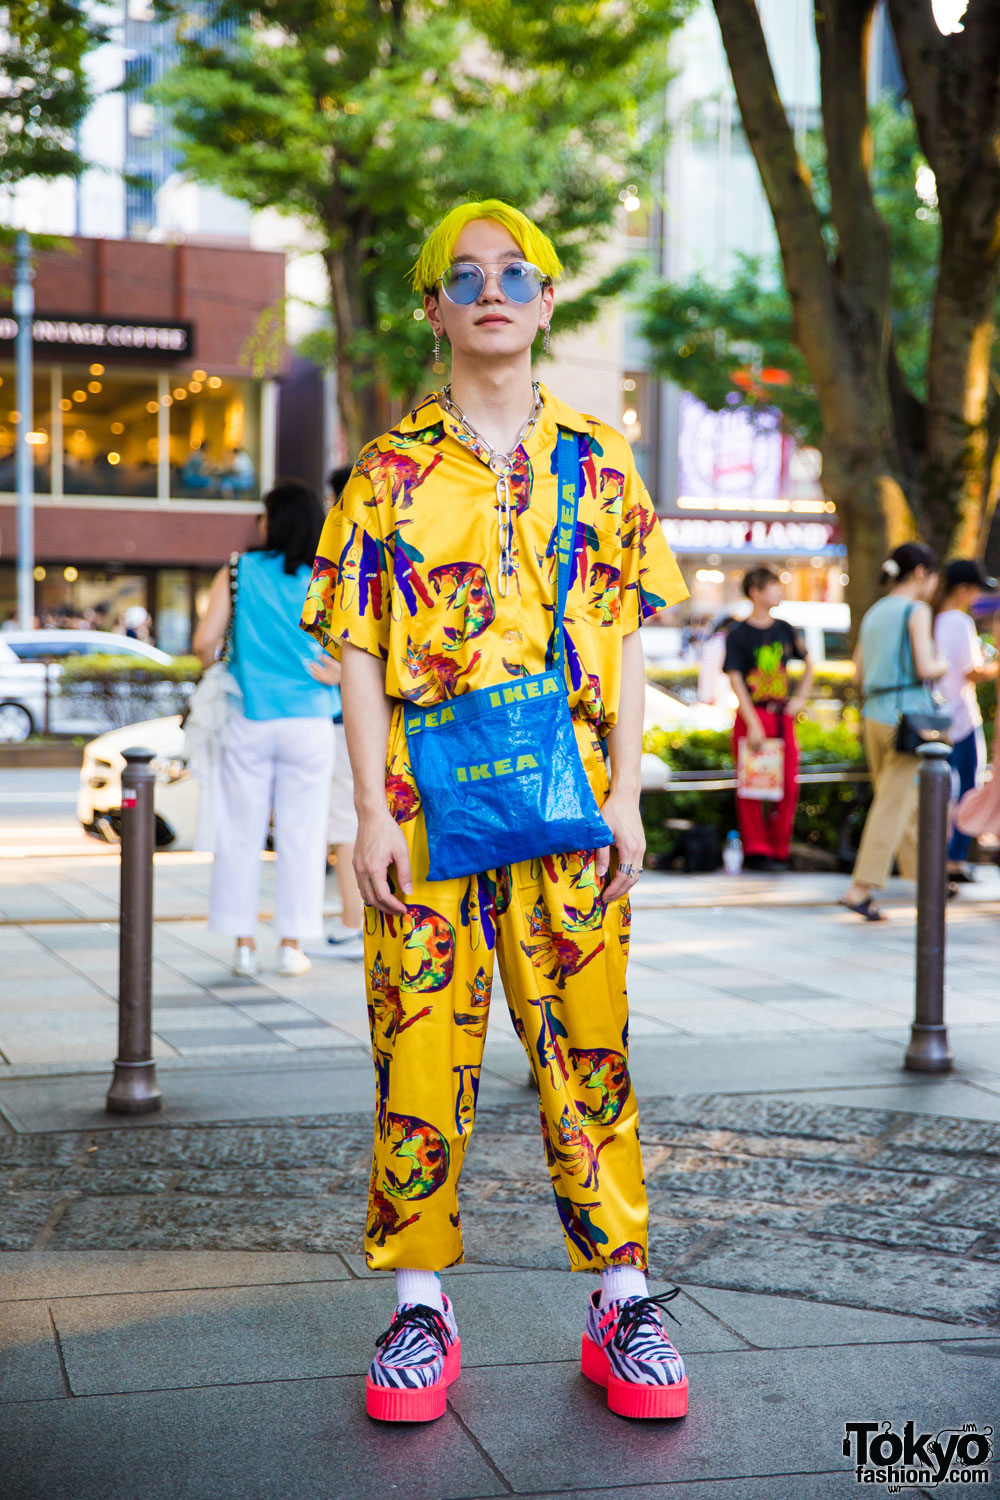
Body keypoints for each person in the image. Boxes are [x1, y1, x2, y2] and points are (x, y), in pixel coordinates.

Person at [300, 199, 691, 1424]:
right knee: (417, 1049)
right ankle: (421, 1304)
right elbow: (358, 649)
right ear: (432, 309)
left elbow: (624, 640)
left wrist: (628, 792)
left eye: (516, 273)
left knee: (590, 1044)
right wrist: (368, 812)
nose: (491, 289)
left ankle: (620, 1296)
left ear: (548, 300)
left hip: (573, 804)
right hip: (424, 811)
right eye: (462, 275)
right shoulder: (388, 472)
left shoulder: (602, 460)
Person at [194, 480, 339, 977]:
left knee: (240, 830)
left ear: (271, 521)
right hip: (312, 720)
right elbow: (352, 649)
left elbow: (204, 640)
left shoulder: (238, 570)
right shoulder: (328, 577)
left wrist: (239, 658)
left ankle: (242, 944)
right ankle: (292, 945)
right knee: (303, 833)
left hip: (250, 716)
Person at [841, 542, 947, 920]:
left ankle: (929, 876)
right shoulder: (916, 610)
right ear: (921, 574)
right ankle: (860, 889)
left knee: (905, 800)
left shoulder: (875, 611)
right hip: (909, 719)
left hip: (874, 714)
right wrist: (943, 663)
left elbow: (857, 672)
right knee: (894, 803)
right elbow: (925, 666)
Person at [307, 465, 366, 962]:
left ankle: (354, 921)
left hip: (351, 720)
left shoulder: (351, 547)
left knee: (348, 822)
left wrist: (342, 674)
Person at [723, 568, 813, 871]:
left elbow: (809, 662)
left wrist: (799, 700)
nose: (779, 592)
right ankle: (756, 849)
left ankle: (779, 849)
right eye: (773, 587)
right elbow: (735, 680)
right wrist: (753, 722)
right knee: (752, 784)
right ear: (756, 592)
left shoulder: (786, 629)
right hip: (753, 714)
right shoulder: (738, 634)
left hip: (781, 714)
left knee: (788, 783)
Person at [934, 560, 999, 881]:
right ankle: (954, 858)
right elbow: (971, 671)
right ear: (963, 589)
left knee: (940, 790)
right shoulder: (959, 622)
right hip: (961, 718)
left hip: (934, 720)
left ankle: (940, 856)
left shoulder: (926, 617)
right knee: (968, 788)